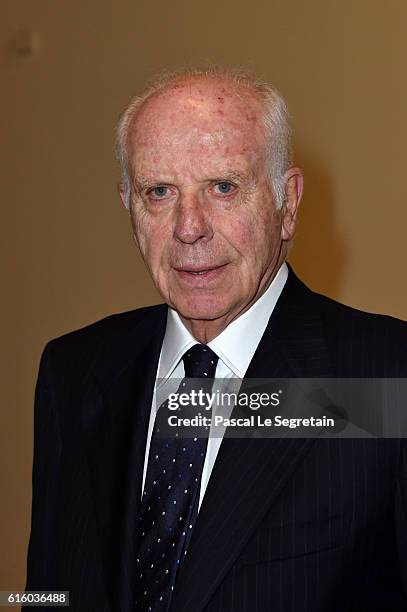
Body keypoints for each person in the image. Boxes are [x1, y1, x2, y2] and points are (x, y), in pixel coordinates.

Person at [25, 67, 407, 612]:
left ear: (288, 202)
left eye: (223, 188)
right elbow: (48, 593)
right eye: (159, 192)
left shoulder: (387, 379)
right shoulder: (73, 371)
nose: (189, 227)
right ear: (129, 206)